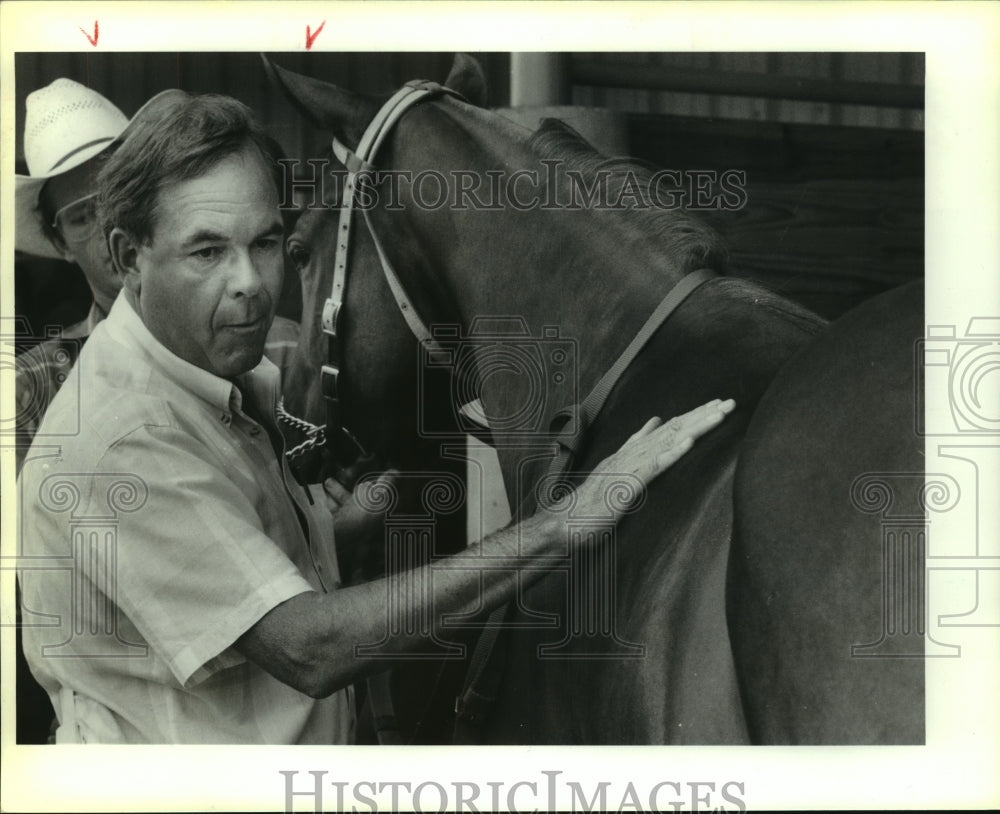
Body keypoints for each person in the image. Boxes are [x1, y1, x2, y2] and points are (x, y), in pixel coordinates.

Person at [17, 89, 736, 744]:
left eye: (267, 243)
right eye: (207, 251)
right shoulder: (125, 435)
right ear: (126, 257)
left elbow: (266, 559)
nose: (252, 286)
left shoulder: (225, 382)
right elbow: (308, 645)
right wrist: (562, 524)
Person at [13, 78, 299, 476]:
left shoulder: (287, 349)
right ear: (59, 242)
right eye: (83, 215)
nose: (113, 222)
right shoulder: (27, 388)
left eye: (122, 199)